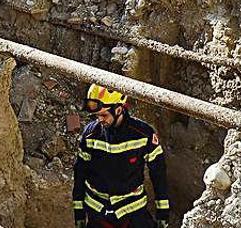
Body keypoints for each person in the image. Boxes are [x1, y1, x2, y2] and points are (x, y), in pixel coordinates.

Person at [72, 84, 170, 228]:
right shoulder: (91, 134)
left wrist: (163, 211)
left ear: (118, 109)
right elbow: (80, 171)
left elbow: (158, 172)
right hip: (98, 211)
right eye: (97, 115)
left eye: (104, 115)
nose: (99, 119)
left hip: (133, 210)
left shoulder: (143, 134)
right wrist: (78, 211)